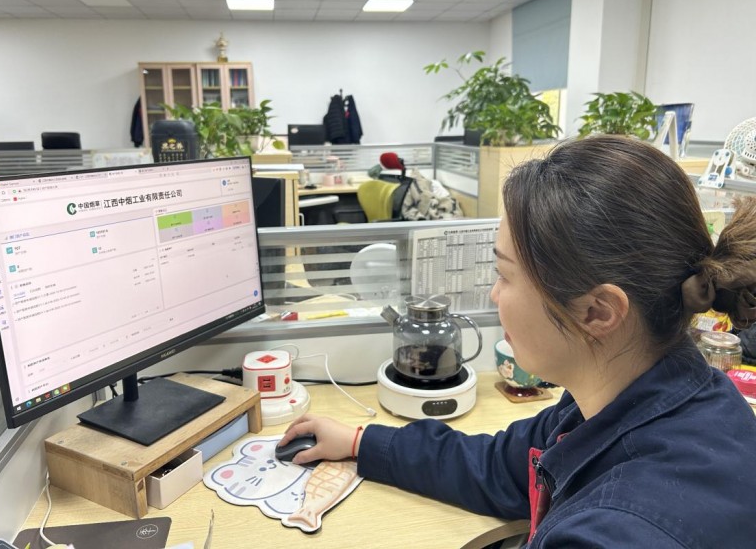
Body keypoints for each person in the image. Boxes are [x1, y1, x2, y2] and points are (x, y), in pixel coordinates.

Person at [280, 135, 756, 548]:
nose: (493, 295)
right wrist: (360, 441)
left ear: (598, 312)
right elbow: (497, 467)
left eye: (504, 274)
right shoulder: (634, 397)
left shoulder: (617, 531)